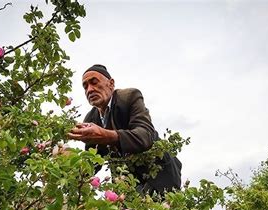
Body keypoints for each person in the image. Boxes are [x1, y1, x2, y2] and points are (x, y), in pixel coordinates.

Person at [68, 64, 182, 195]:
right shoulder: (91, 118)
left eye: (94, 83)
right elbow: (92, 161)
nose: (90, 90)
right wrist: (68, 164)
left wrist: (105, 135)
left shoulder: (129, 97)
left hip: (160, 177)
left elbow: (145, 136)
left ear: (111, 84)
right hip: (127, 183)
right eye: (85, 86)